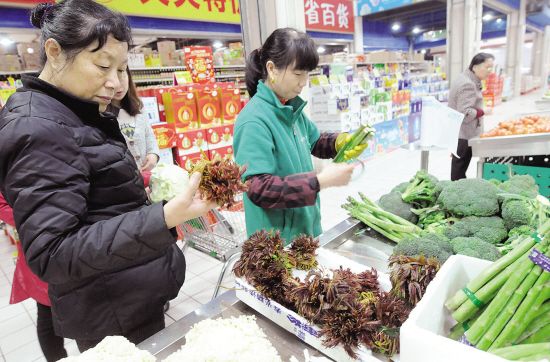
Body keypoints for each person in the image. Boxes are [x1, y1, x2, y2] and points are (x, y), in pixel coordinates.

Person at [0, 0, 215, 352]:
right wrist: (163, 217)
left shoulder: (73, 110)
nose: (116, 84)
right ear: (54, 52)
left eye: (122, 68)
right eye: (102, 66)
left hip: (124, 291)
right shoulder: (37, 127)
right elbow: (53, 253)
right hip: (110, 308)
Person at [234, 28, 365, 244]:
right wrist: (319, 182)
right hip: (276, 244)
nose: (303, 82)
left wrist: (338, 142)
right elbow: (259, 188)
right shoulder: (253, 121)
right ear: (272, 69)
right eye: (298, 74)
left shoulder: (291, 109)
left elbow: (314, 141)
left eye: (307, 73)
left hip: (305, 231)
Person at [1, 193, 68, 361]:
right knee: (46, 310)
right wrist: (37, 220)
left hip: (74, 231)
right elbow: (2, 206)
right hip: (40, 241)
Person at [448, 52, 495, 180]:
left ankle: (457, 191)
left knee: (459, 168)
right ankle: (455, 195)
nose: (490, 71)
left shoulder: (466, 78)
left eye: (492, 67)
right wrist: (482, 112)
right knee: (459, 171)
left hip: (460, 133)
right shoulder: (467, 84)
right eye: (487, 67)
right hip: (463, 135)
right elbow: (464, 113)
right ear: (475, 67)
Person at [110, 69, 159, 187]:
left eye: (122, 76)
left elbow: (149, 134)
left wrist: (153, 154)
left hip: (147, 179)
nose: (119, 85)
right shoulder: (102, 113)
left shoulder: (137, 105)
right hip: (124, 184)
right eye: (113, 79)